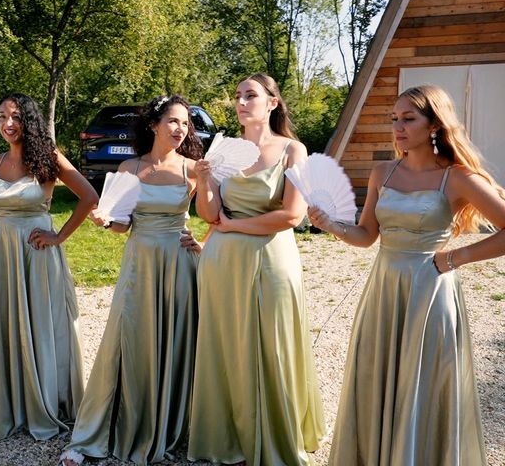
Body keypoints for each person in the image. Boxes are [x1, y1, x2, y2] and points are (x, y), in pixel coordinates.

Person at [309, 84, 505, 465]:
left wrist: (455, 258)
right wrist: (331, 224)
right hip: (383, 288)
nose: (397, 127)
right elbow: (367, 236)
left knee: (424, 386)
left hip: (430, 291)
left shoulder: (458, 177)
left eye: (408, 119)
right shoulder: (382, 171)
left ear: (434, 125)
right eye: (394, 119)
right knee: (376, 379)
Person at [188, 73, 325, 466]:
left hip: (271, 258)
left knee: (273, 345)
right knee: (227, 344)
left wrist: (234, 226)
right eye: (237, 96)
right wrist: (205, 179)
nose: (242, 102)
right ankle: (229, 435)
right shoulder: (224, 150)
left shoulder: (293, 151)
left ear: (272, 102)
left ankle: (276, 434)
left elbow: (292, 215)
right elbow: (210, 214)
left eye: (251, 95)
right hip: (223, 262)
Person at [60, 95, 202, 465]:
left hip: (178, 263)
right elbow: (124, 223)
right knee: (130, 336)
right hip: (140, 262)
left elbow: (220, 216)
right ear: (153, 125)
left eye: (185, 124)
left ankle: (170, 423)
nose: (180, 129)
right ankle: (116, 424)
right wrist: (107, 222)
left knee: (176, 340)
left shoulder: (193, 169)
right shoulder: (128, 167)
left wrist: (203, 241)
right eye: (173, 121)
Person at [0, 92, 98, 440]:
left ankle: (46, 398)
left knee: (43, 324)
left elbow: (90, 197)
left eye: (15, 117)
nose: (7, 124)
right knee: (8, 321)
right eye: (1, 117)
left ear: (28, 120)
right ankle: (13, 398)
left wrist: (58, 236)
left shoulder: (49, 158)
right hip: (5, 252)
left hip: (36, 251)